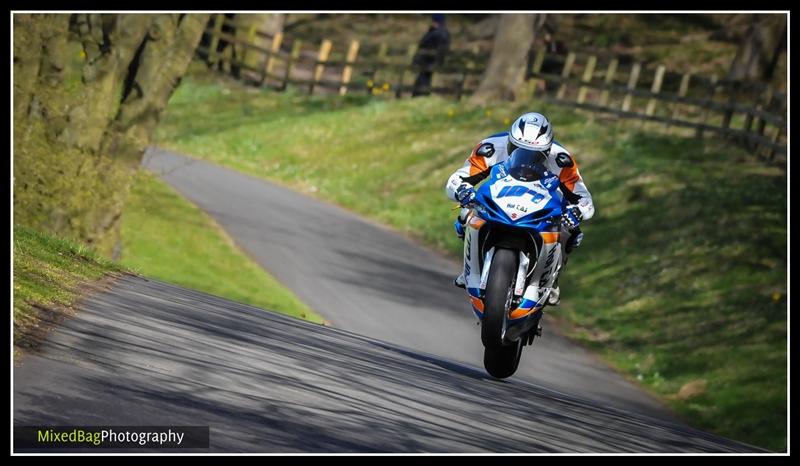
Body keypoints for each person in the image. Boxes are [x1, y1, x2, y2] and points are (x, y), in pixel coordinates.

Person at [444, 112, 595, 305]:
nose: (526, 158)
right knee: (466, 214)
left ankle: (552, 282)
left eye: (536, 155)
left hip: (542, 199)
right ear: (510, 141)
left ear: (547, 150)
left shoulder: (561, 159)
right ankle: (470, 270)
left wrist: (577, 212)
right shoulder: (491, 148)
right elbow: (458, 178)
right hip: (502, 193)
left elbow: (584, 198)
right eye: (517, 149)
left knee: (570, 231)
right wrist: (462, 190)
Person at [411, 14, 451, 97]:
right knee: (422, 79)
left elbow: (439, 48)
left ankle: (420, 96)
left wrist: (435, 61)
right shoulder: (436, 32)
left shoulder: (439, 33)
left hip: (428, 61)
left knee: (423, 79)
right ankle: (419, 95)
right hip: (426, 61)